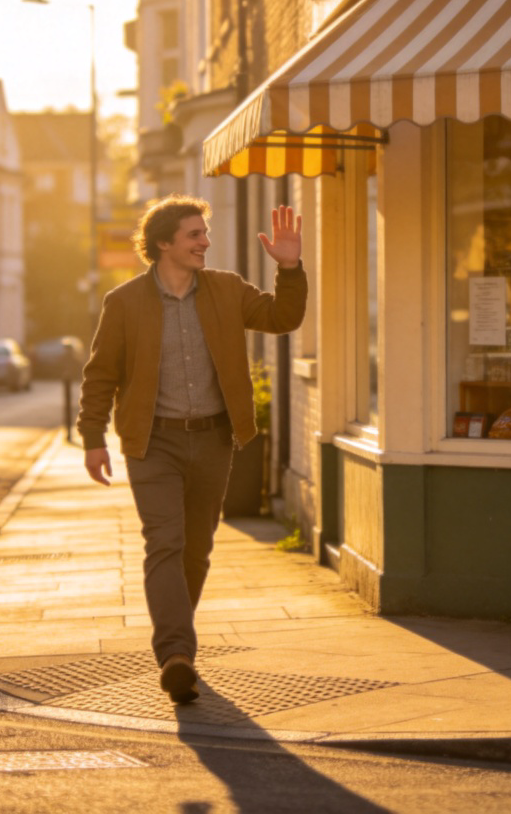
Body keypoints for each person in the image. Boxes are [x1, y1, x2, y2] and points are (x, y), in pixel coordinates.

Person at [76, 195, 306, 704]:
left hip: (212, 439)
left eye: (204, 234)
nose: (205, 242)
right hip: (151, 442)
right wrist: (93, 439)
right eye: (194, 235)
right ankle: (177, 654)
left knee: (196, 550)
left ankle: (176, 641)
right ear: (164, 243)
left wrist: (289, 268)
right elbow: (100, 376)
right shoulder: (125, 302)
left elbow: (282, 318)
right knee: (165, 543)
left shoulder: (226, 289)